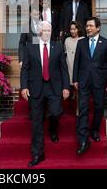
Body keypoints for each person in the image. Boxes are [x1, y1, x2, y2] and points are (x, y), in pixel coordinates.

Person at [20, 21, 70, 167]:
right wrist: (24, 87)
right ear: (39, 32)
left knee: (55, 112)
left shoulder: (58, 47)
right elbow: (25, 69)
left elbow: (63, 68)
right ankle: (37, 154)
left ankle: (53, 128)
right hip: (36, 88)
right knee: (36, 122)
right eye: (44, 30)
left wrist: (66, 87)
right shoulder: (30, 48)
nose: (47, 33)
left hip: (54, 87)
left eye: (49, 30)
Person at [72, 17, 107, 155]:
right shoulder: (81, 43)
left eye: (91, 26)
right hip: (83, 80)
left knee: (99, 106)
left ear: (98, 27)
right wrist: (75, 79)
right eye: (87, 26)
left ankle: (95, 130)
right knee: (83, 108)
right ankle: (83, 140)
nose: (88, 28)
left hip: (99, 80)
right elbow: (76, 62)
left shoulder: (106, 43)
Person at [64, 21, 85, 116]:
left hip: (79, 66)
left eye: (74, 29)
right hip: (69, 65)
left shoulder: (83, 39)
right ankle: (73, 94)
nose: (72, 31)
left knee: (78, 87)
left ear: (78, 29)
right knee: (70, 84)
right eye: (71, 29)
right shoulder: (67, 40)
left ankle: (78, 108)